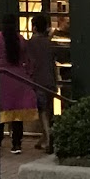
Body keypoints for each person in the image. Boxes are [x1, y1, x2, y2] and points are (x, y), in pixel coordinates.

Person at [0, 17, 39, 153]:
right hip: (18, 77)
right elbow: (27, 60)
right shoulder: (20, 39)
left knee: (0, 109)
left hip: (0, 76)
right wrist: (28, 74)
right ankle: (16, 144)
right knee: (17, 112)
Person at [25, 13, 59, 152]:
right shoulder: (50, 43)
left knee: (42, 111)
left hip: (38, 80)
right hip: (51, 79)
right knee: (49, 109)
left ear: (34, 27)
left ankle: (49, 138)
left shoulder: (30, 44)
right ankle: (44, 137)